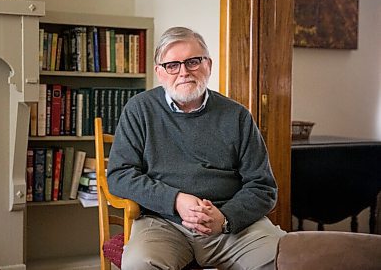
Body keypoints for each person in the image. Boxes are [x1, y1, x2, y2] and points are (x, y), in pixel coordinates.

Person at [107, 26, 286, 270]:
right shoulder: (139, 110)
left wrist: (225, 218)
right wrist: (175, 200)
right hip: (163, 222)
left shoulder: (237, 116)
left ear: (208, 65)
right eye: (172, 65)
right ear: (159, 72)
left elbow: (263, 187)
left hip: (231, 226)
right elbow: (119, 176)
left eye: (193, 61)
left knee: (282, 258)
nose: (184, 72)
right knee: (140, 264)